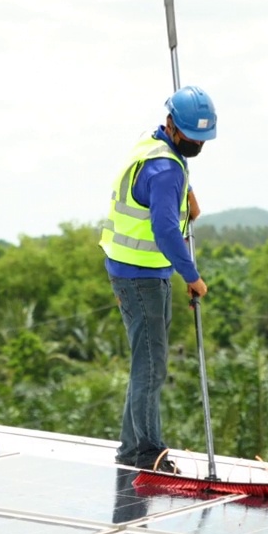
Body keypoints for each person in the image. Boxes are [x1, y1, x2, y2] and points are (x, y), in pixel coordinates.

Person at [99, 85, 216, 472]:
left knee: (144, 362)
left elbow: (169, 189)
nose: (197, 145)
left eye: (202, 140)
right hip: (142, 275)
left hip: (133, 269)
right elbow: (165, 230)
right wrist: (192, 275)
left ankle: (131, 448)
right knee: (151, 366)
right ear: (173, 126)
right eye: (192, 138)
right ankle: (149, 453)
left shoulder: (153, 146)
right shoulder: (166, 169)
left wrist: (189, 194)